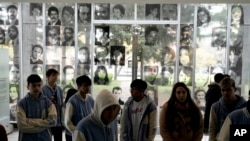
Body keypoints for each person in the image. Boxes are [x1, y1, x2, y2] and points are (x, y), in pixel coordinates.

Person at [16, 74, 57, 141]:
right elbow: (22, 126)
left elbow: (53, 121)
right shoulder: (22, 104)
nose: (37, 88)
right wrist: (44, 125)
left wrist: (29, 121)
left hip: (45, 137)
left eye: (39, 85)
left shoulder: (48, 102)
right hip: (27, 138)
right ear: (28, 87)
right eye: (33, 85)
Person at [64, 75, 94, 140]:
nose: (88, 88)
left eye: (89, 85)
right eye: (85, 85)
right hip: (76, 134)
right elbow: (67, 122)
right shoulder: (72, 101)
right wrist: (77, 132)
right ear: (78, 86)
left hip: (87, 134)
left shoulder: (90, 99)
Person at [42, 69, 64, 141]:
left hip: (58, 121)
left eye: (56, 75)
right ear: (47, 76)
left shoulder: (59, 89)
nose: (55, 77)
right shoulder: (43, 90)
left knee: (58, 138)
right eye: (53, 75)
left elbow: (61, 105)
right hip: (48, 121)